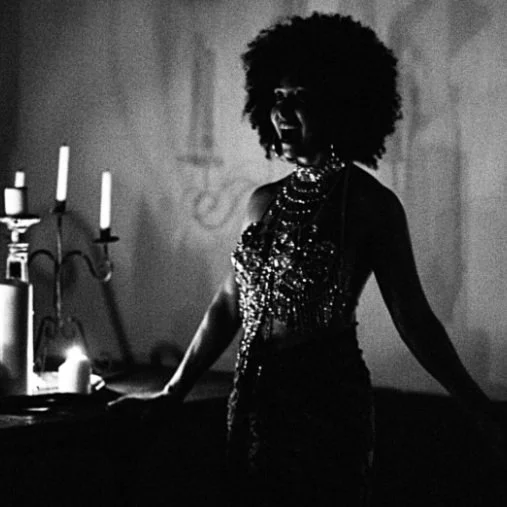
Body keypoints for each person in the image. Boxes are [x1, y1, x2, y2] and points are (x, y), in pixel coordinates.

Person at [110, 12, 504, 506]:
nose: (282, 110)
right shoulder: (261, 201)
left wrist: (478, 408)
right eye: (276, 96)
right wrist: (172, 392)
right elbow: (229, 304)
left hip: (326, 410)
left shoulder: (369, 205)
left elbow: (415, 320)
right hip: (251, 405)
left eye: (300, 96)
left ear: (339, 103)